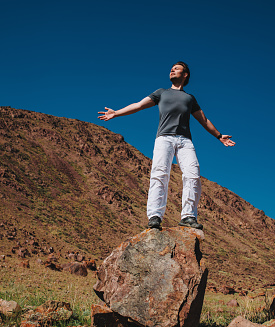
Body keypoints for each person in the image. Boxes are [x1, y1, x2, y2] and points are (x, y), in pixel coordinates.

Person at [98, 61, 235, 230]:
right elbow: (139, 105)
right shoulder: (161, 93)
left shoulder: (190, 98)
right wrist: (116, 113)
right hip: (164, 139)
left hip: (185, 141)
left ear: (185, 75)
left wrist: (219, 136)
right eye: (172, 68)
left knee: (193, 175)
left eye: (177, 68)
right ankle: (155, 215)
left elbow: (204, 120)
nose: (172, 70)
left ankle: (188, 216)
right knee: (160, 173)